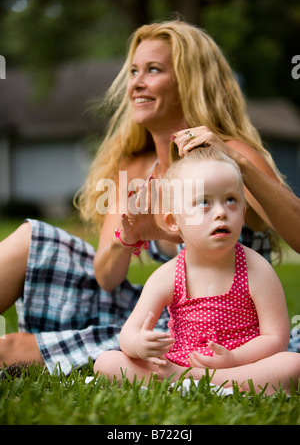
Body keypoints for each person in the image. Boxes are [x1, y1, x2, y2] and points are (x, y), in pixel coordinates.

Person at [0, 19, 299, 374]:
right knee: (31, 238)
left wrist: (240, 164)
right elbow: (107, 278)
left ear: (189, 81)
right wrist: (130, 237)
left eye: (152, 70)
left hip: (226, 329)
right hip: (153, 310)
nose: (136, 84)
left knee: (11, 349)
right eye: (133, 72)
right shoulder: (134, 166)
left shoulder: (229, 157)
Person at [94, 148, 300, 394]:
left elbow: (275, 339)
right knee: (106, 362)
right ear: (174, 222)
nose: (221, 212)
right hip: (180, 361)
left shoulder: (257, 270)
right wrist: (138, 344)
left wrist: (233, 358)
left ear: (243, 213)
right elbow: (129, 332)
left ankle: (191, 380)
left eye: (231, 200)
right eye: (204, 202)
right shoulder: (168, 275)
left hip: (242, 364)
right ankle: (205, 381)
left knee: (292, 364)